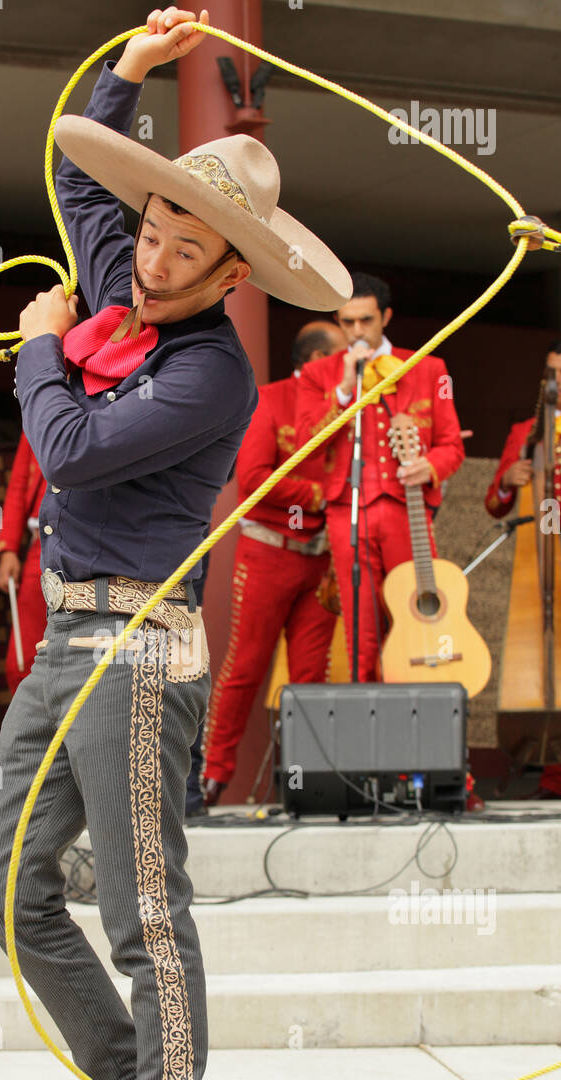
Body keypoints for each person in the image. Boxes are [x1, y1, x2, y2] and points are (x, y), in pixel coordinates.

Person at [0, 6, 351, 1080]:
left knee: (144, 907)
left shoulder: (211, 372)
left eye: (189, 245)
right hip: (68, 635)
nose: (155, 253)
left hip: (139, 650)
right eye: (152, 225)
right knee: (6, 886)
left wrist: (36, 348)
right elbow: (70, 156)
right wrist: (125, 69)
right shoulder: (118, 272)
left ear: (232, 272)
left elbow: (70, 453)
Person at [201, 319, 346, 806]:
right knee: (246, 666)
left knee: (311, 677)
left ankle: (305, 786)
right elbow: (254, 480)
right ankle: (211, 779)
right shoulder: (271, 397)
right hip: (269, 551)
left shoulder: (352, 408)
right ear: (313, 363)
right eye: (342, 355)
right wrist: (322, 495)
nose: (354, 364)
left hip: (321, 559)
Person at [295, 272, 464, 681]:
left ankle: (421, 697)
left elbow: (452, 445)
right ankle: (366, 712)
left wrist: (432, 466)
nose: (356, 331)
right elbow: (305, 444)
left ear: (385, 316)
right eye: (347, 322)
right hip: (347, 509)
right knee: (360, 624)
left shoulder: (429, 367)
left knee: (417, 612)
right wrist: (344, 388)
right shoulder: (321, 374)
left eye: (365, 321)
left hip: (407, 510)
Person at [485, 336, 561, 797]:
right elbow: (494, 504)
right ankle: (559, 779)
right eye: (550, 372)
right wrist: (508, 479)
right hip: (541, 559)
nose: (555, 381)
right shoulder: (526, 430)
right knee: (553, 665)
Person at [0, 432, 47, 695]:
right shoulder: (46, 396)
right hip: (40, 548)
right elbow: (18, 484)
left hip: (94, 545)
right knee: (22, 660)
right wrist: (9, 548)